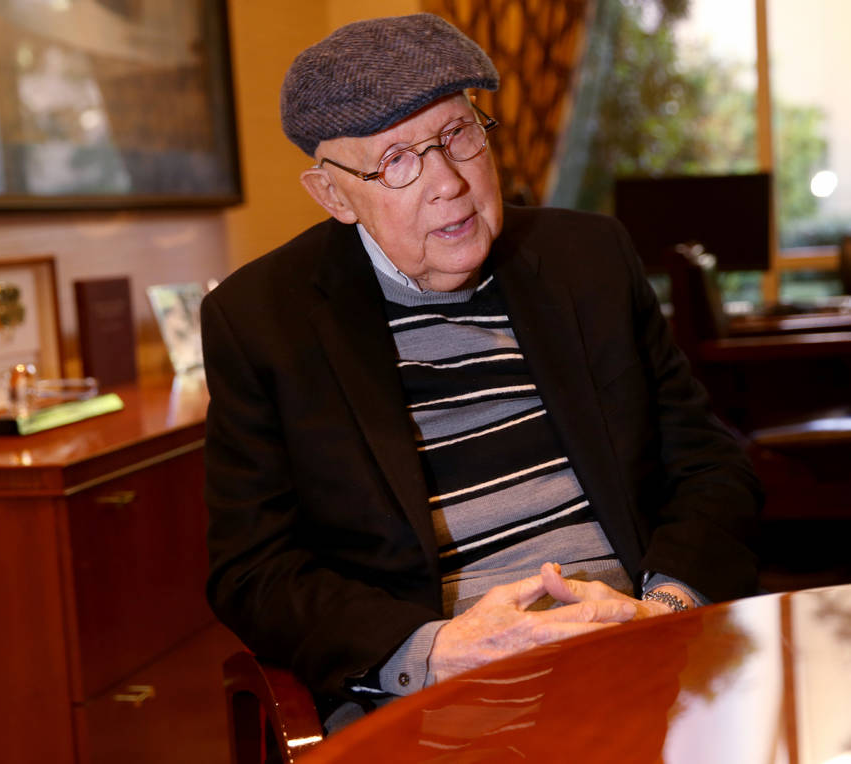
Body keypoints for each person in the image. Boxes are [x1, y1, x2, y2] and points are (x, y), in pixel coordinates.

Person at [201, 13, 761, 729]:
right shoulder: (263, 320)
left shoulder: (586, 259)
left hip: (643, 654)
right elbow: (254, 570)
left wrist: (666, 608)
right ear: (334, 195)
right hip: (439, 693)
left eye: (457, 134)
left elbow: (711, 464)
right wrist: (434, 650)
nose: (448, 184)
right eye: (398, 159)